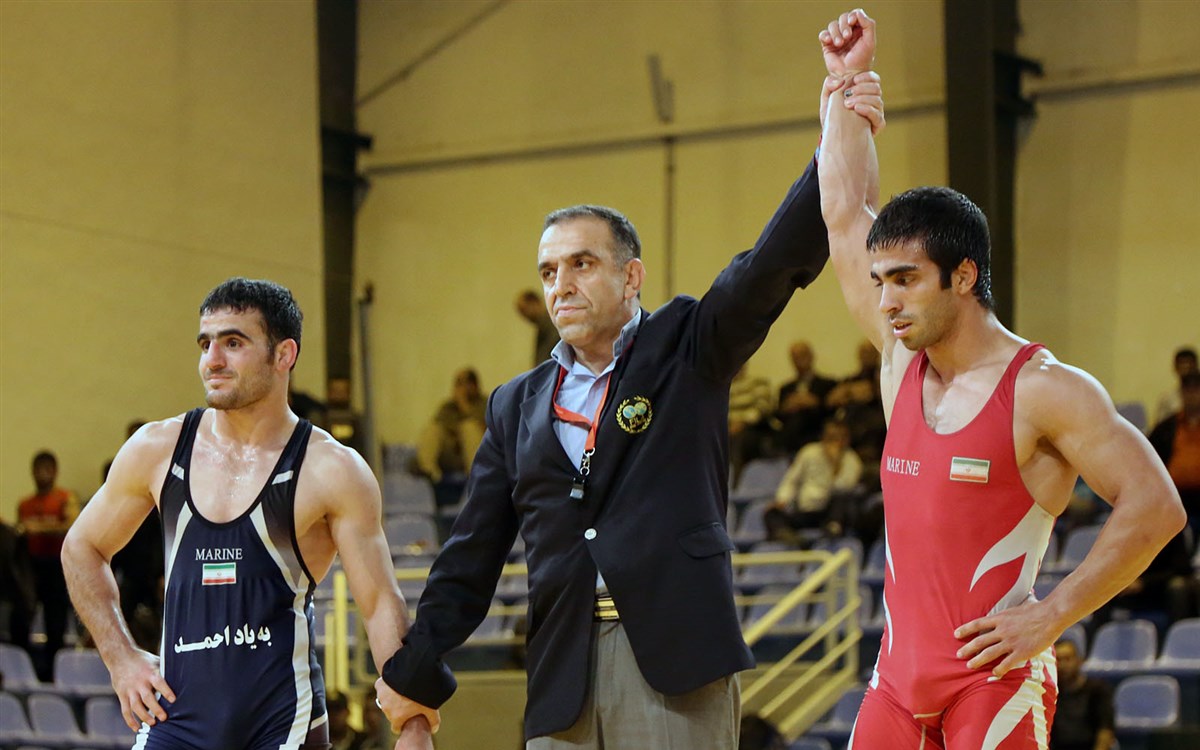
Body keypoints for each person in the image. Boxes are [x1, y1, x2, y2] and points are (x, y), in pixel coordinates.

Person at [374, 92, 883, 747]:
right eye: (548, 271)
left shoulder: (686, 348)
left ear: (631, 276)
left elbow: (767, 268)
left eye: (581, 264)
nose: (560, 285)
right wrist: (414, 671)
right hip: (562, 675)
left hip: (674, 664)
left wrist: (839, 133)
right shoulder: (514, 405)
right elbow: (471, 555)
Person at [817, 9, 1185, 748]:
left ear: (963, 276)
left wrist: (1052, 615)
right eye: (881, 280)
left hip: (993, 681)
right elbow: (843, 213)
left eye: (905, 280)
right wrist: (845, 85)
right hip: (896, 683)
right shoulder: (900, 363)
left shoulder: (1045, 389)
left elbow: (1157, 507)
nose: (885, 301)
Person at [61, 278, 435, 749]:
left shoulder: (331, 470)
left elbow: (379, 603)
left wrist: (413, 722)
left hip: (282, 724)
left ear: (284, 355)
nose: (212, 361)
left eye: (233, 343)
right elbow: (81, 547)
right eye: (205, 344)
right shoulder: (158, 449)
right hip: (176, 719)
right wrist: (120, 659)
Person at [16, 450, 80, 679]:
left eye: (46, 470)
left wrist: (39, 529)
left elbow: (73, 525)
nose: (42, 474)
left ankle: (54, 675)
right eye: (38, 470)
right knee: (21, 619)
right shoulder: (25, 504)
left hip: (57, 566)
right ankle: (23, 670)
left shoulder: (64, 498)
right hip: (32, 568)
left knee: (56, 623)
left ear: (54, 472)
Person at [764, 419, 863, 543]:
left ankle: (833, 529)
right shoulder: (809, 452)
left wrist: (835, 464)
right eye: (830, 437)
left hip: (827, 511)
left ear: (847, 439)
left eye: (839, 437)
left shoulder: (851, 459)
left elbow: (844, 487)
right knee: (771, 513)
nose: (834, 441)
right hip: (804, 509)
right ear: (823, 437)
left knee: (842, 500)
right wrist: (782, 500)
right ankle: (787, 536)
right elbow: (792, 479)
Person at [414, 367, 487, 510]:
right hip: (451, 456)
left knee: (469, 427)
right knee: (433, 429)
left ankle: (476, 477)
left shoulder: (485, 404)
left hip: (474, 459)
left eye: (466, 383)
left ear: (475, 385)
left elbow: (487, 432)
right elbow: (442, 428)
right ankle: (429, 473)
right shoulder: (448, 407)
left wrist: (464, 406)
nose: (461, 388)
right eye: (458, 383)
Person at [1150, 369, 1200, 538]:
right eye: (1187, 390)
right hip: (1174, 495)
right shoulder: (1167, 427)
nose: (1192, 395)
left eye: (1196, 389)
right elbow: (1149, 460)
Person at [1048, 639, 1114, 750]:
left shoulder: (1098, 690)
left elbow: (1105, 731)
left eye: (1068, 659)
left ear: (1079, 660)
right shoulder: (1050, 693)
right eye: (1058, 660)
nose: (1063, 665)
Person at [774, 340, 837, 455]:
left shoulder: (827, 384)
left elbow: (832, 411)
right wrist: (788, 407)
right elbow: (779, 415)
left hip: (816, 429)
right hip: (791, 431)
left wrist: (814, 402)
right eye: (795, 357)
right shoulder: (785, 388)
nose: (799, 360)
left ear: (811, 356)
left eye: (803, 355)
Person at [729, 364, 775, 483]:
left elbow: (763, 408)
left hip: (752, 428)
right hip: (727, 427)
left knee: (738, 438)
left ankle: (736, 482)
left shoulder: (757, 383)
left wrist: (742, 421)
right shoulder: (721, 387)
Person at [1153, 346, 1198, 427]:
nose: (1185, 369)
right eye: (1182, 364)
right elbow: (1160, 428)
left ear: (1195, 366)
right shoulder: (1167, 399)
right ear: (1176, 367)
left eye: (1188, 365)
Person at [515, 288, 560, 366]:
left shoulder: (552, 326)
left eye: (525, 309)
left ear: (535, 303)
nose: (525, 315)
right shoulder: (543, 327)